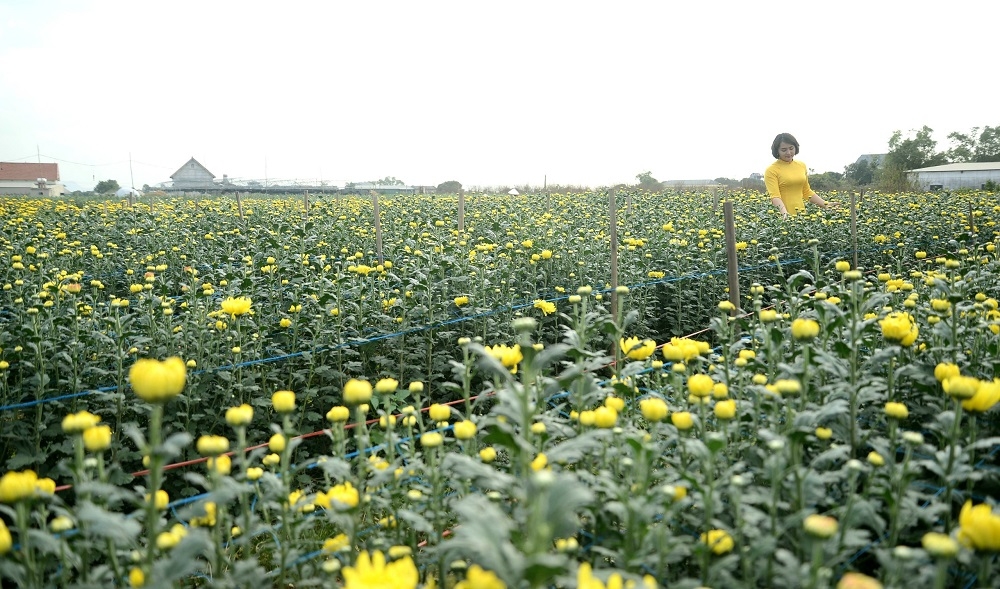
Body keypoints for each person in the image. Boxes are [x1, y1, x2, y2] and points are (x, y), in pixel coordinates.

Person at [764, 133, 836, 217]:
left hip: (801, 216)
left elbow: (806, 192)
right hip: (782, 217)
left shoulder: (801, 165)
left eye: (791, 148)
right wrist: (784, 214)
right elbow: (775, 196)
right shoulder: (771, 170)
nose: (788, 152)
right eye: (784, 150)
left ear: (796, 147)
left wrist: (826, 204)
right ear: (777, 151)